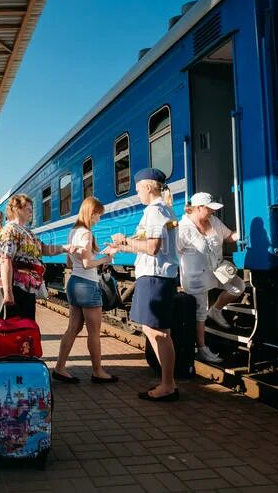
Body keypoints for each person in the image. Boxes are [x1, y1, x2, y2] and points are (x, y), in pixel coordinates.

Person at [109, 168, 180, 402]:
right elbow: (147, 247)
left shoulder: (154, 211)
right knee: (159, 331)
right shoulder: (165, 210)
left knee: (156, 331)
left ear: (148, 187)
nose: (137, 193)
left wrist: (125, 240)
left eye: (138, 189)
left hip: (154, 277)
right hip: (159, 276)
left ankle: (168, 384)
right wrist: (121, 246)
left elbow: (152, 248)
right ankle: (167, 382)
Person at [53, 196, 118, 384]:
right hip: (87, 285)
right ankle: (98, 371)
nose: (99, 219)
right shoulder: (87, 234)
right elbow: (88, 263)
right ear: (92, 213)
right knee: (94, 332)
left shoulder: (73, 232)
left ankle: (59, 368)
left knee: (73, 328)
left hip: (74, 282)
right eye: (98, 215)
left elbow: (70, 261)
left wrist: (98, 255)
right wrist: (106, 259)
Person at [178, 192, 244, 364]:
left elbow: (228, 237)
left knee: (239, 287)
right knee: (200, 315)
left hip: (218, 271)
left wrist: (243, 232)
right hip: (196, 277)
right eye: (209, 209)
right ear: (198, 208)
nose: (212, 212)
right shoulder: (183, 228)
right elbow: (173, 254)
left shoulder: (213, 222)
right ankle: (202, 349)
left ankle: (215, 310)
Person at [0, 194, 71, 320]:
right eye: (28, 209)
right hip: (16, 288)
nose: (31, 212)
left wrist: (65, 248)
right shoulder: (10, 230)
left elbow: (43, 249)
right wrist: (8, 292)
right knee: (16, 330)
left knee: (27, 329)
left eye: (31, 209)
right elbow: (5, 260)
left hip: (28, 289)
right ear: (16, 209)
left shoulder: (28, 232)